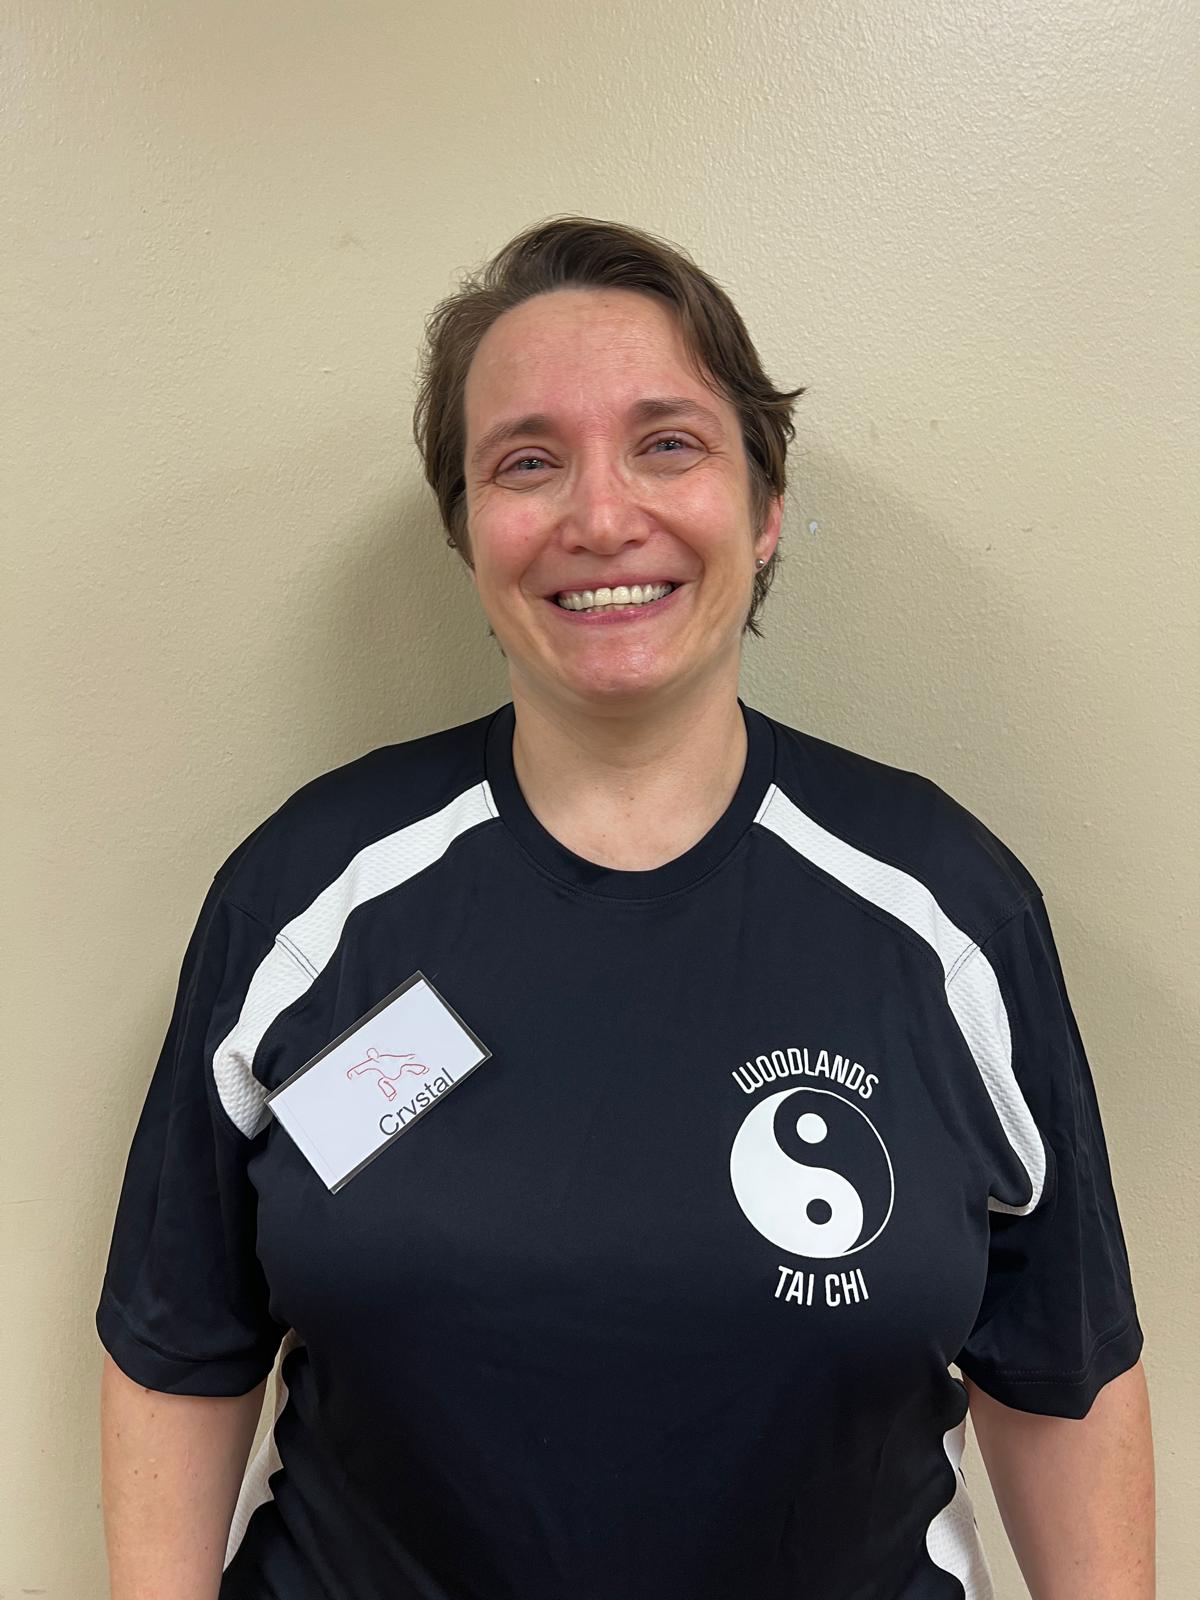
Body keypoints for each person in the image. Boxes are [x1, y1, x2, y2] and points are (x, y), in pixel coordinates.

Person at [97, 215, 1154, 1599]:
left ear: (765, 508)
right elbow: (181, 1346)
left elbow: (1063, 1367)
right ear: (468, 532)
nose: (601, 518)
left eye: (668, 444)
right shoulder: (308, 901)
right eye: (527, 462)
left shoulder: (944, 910)